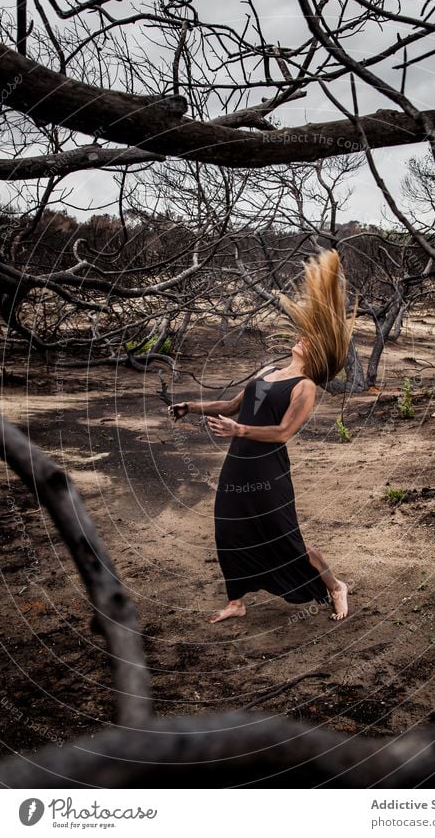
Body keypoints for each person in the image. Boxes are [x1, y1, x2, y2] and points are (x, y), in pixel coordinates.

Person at [168, 249, 356, 624]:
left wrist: (239, 431)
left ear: (317, 354)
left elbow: (284, 432)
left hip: (268, 471)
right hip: (238, 466)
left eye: (310, 340)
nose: (303, 338)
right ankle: (236, 601)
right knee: (230, 529)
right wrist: (192, 406)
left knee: (285, 536)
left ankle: (335, 586)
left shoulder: (305, 387)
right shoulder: (271, 369)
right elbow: (234, 404)